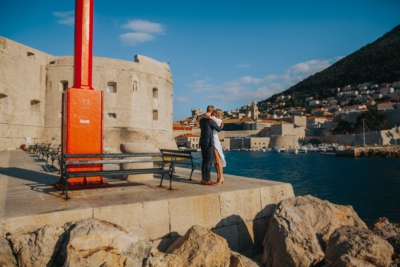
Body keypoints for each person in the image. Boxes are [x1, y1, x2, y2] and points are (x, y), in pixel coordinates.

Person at [199, 109, 226, 184]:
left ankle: (221, 177)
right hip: (211, 139)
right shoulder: (214, 120)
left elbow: (209, 118)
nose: (213, 113)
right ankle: (219, 177)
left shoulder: (217, 120)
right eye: (212, 112)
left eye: (214, 112)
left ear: (217, 114)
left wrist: (204, 115)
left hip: (214, 140)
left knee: (217, 160)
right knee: (215, 161)